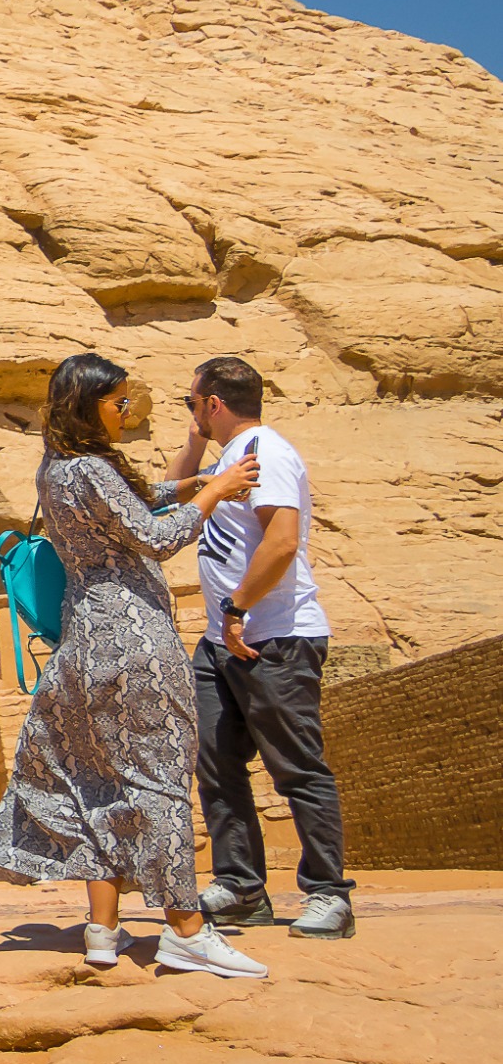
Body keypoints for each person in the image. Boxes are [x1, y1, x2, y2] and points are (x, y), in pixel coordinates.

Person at [0, 352, 269, 978]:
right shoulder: (90, 469)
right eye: (117, 402)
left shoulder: (58, 469)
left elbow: (127, 506)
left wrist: (186, 483)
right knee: (158, 777)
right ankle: (186, 928)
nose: (126, 411)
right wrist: (213, 492)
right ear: (87, 404)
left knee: (94, 779)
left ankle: (102, 928)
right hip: (134, 640)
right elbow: (154, 538)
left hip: (81, 642)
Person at [173, 355, 355, 939]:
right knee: (217, 764)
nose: (192, 411)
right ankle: (242, 887)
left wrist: (236, 609)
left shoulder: (267, 453)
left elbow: (280, 543)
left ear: (214, 403)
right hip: (221, 642)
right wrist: (194, 440)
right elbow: (174, 506)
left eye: (192, 402)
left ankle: (329, 893)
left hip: (273, 635)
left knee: (296, 767)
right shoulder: (227, 457)